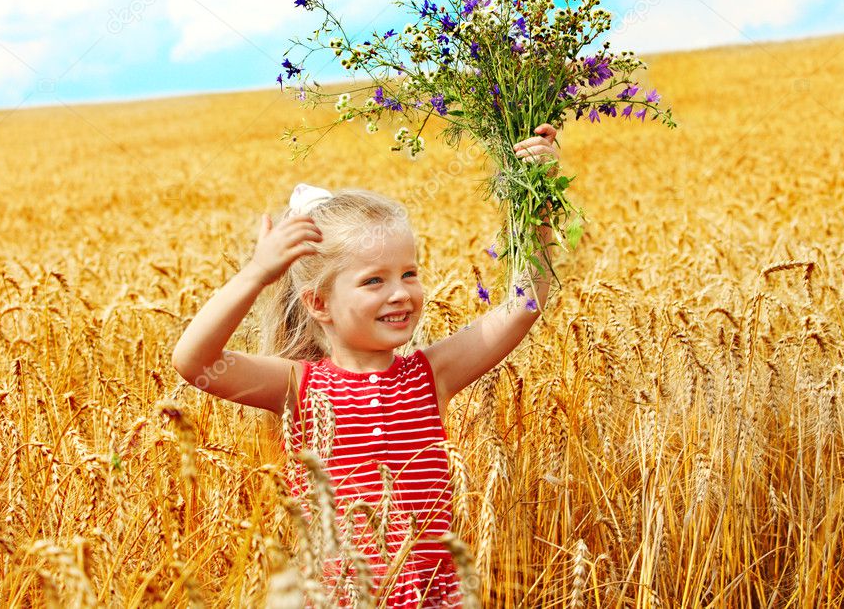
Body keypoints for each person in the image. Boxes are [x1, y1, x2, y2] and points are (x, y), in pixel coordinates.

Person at [172, 125, 562, 607]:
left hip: (435, 598)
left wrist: (537, 199)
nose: (400, 293)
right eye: (374, 280)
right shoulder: (299, 386)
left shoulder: (429, 375)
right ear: (318, 302)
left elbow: (522, 305)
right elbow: (194, 362)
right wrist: (257, 274)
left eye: (409, 274)